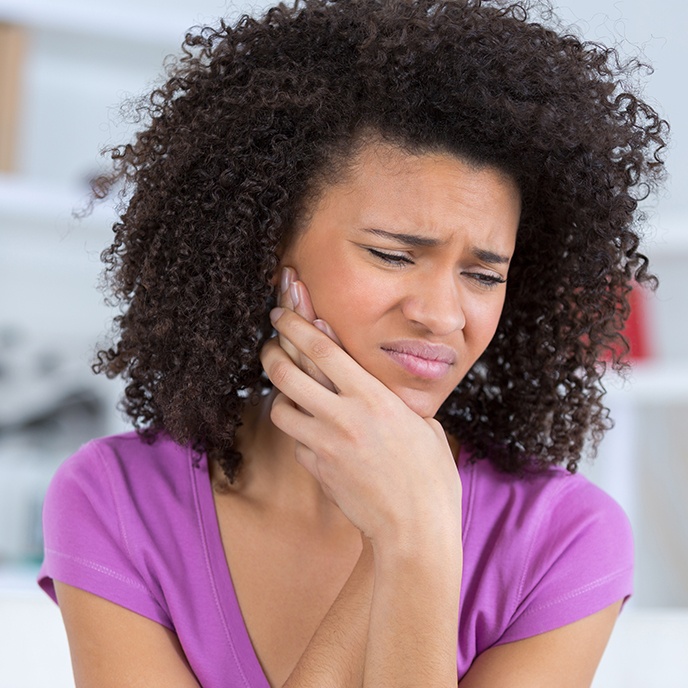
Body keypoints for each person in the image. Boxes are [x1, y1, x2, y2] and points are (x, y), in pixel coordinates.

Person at [38, 0, 667, 686]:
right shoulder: (118, 501)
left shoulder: (562, 537)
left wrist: (416, 544)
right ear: (266, 249)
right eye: (394, 256)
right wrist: (404, 534)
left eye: (483, 274)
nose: (441, 315)